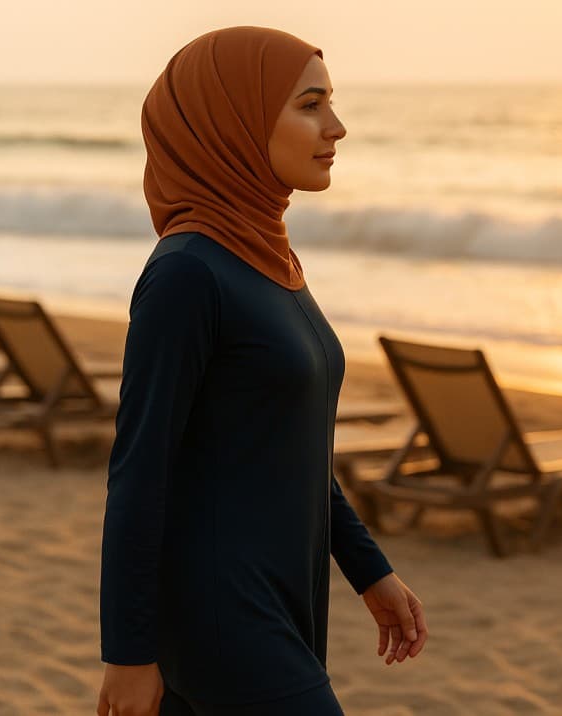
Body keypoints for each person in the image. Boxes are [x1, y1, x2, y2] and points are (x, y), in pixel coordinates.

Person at [96, 26, 428, 716]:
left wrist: (369, 570)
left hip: (287, 595)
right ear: (233, 120)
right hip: (220, 610)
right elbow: (138, 473)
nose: (336, 127)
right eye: (310, 105)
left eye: (330, 103)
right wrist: (127, 655)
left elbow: (288, 445)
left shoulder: (263, 255)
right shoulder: (188, 273)